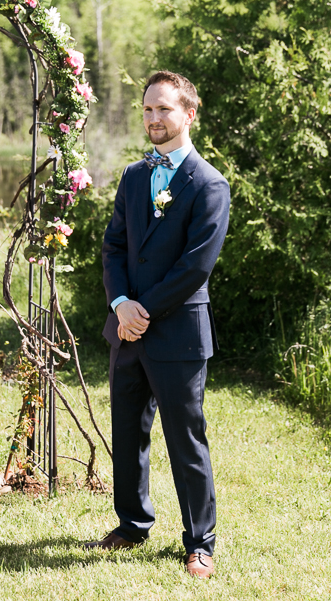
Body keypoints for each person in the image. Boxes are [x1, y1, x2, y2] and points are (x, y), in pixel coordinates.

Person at [85, 71, 231, 579]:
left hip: (177, 334)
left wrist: (142, 314)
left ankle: (200, 542)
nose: (153, 119)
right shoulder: (133, 176)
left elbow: (195, 266)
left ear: (189, 114)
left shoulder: (210, 184)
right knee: (127, 433)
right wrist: (121, 303)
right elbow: (116, 248)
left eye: (164, 110)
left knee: (185, 439)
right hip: (127, 329)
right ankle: (132, 523)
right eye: (147, 110)